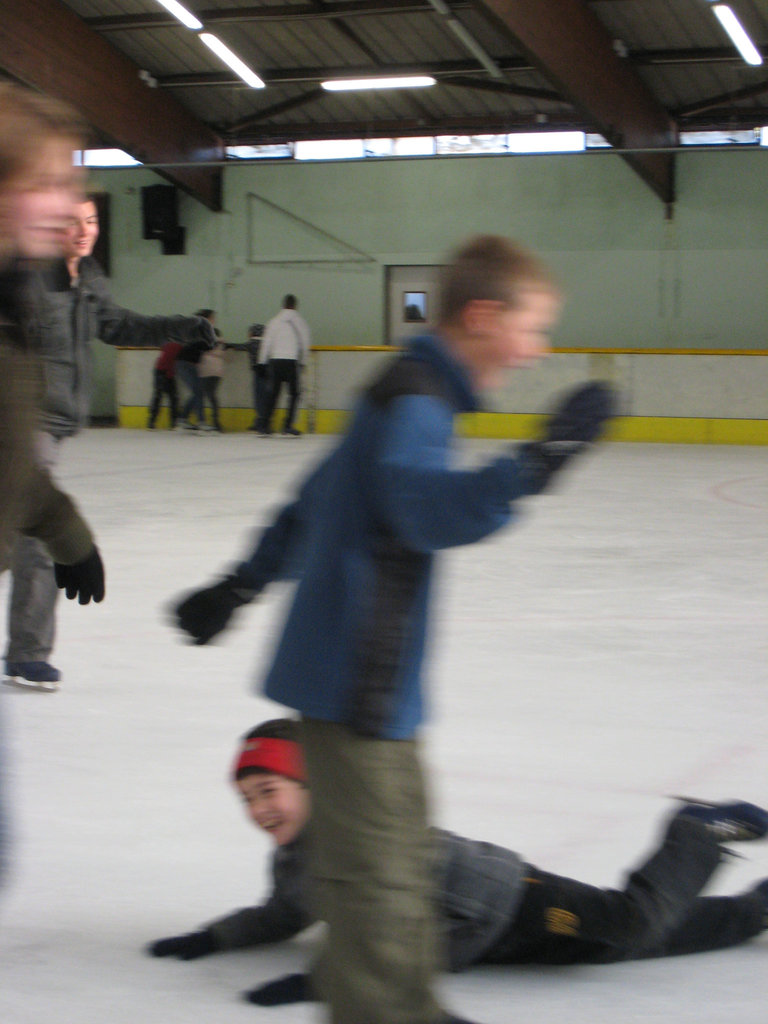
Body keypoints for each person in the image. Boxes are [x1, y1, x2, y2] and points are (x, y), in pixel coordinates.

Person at [172, 234, 616, 1024]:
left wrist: (239, 584)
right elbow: (423, 510)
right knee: (376, 879)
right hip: (359, 682)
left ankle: (410, 1006)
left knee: (396, 867)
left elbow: (314, 502)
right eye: (532, 327)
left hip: (364, 683)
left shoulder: (399, 390)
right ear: (482, 316)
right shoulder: (417, 399)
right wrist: (539, 462)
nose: (534, 350)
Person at [146, 719, 768, 1010]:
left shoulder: (374, 839)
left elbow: (406, 930)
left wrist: (331, 978)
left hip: (513, 904)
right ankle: (754, 911)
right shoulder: (295, 860)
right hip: (497, 942)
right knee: (641, 943)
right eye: (247, 798)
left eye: (269, 791)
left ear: (315, 785)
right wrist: (218, 936)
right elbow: (285, 911)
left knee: (632, 923)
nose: (258, 810)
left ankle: (695, 831)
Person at [3, 196, 215, 690]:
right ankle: (28, 653)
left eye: (91, 221)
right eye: (71, 222)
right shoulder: (28, 275)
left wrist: (180, 329)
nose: (83, 231)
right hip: (22, 418)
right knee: (35, 533)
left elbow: (119, 326)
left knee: (24, 525)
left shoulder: (90, 277)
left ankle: (25, 650)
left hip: (52, 423)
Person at [0, 82, 106, 875]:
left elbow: (9, 463)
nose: (71, 203)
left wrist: (67, 536)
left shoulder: (16, 303)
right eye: (52, 180)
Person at [257, 294, 310, 437]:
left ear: (283, 304)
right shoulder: (300, 322)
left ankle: (265, 425)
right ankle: (287, 425)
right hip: (291, 362)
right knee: (294, 394)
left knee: (272, 394)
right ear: (295, 306)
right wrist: (303, 362)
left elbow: (266, 343)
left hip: (275, 361)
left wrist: (262, 362)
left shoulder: (274, 321)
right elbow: (304, 345)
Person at [147, 340, 183, 429]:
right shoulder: (180, 346)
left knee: (158, 395)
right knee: (172, 397)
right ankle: (173, 423)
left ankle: (152, 421)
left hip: (160, 370)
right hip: (165, 372)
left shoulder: (168, 342)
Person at [245, 323, 266, 432]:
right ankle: (261, 421)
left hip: (258, 373)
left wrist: (228, 345)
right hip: (268, 373)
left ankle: (261, 422)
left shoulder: (252, 343)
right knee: (265, 399)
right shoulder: (266, 343)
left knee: (258, 398)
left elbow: (242, 346)